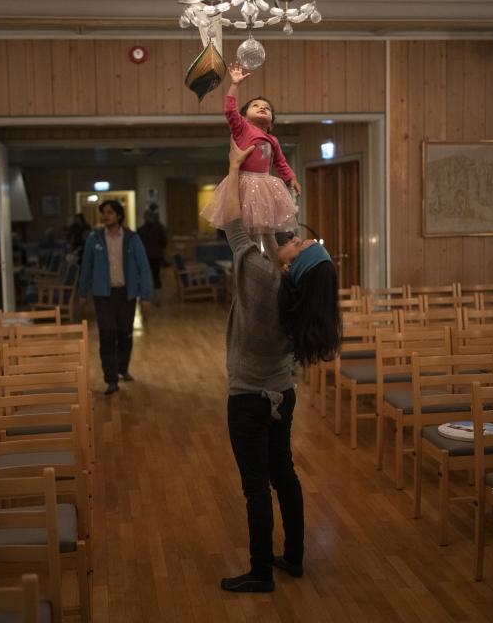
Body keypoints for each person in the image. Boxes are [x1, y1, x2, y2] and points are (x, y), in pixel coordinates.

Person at [219, 138, 340, 593]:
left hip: (248, 397)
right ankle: (292, 556)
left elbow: (236, 228)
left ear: (293, 265)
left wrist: (235, 169)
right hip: (281, 395)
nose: (297, 239)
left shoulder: (263, 279)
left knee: (255, 486)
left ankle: (260, 571)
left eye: (301, 244)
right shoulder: (303, 303)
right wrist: (279, 188)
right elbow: (270, 235)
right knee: (282, 473)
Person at [200, 62, 302, 235]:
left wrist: (291, 178)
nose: (262, 107)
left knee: (267, 227)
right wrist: (235, 85)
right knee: (245, 226)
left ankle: (274, 257)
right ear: (244, 117)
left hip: (265, 183)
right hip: (244, 183)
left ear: (272, 123)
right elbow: (230, 111)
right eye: (256, 106)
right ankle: (250, 255)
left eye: (267, 108)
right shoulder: (242, 129)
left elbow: (280, 162)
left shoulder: (273, 140)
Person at [78, 200, 153, 395]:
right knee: (107, 333)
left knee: (124, 333)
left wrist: (145, 296)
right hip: (103, 295)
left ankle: (122, 368)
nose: (105, 216)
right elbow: (86, 266)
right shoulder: (94, 238)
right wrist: (82, 292)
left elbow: (143, 267)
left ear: (118, 215)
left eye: (109, 213)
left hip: (126, 294)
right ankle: (111, 379)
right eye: (103, 213)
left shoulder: (132, 238)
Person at [137, 208, 168, 299]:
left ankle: (145, 296)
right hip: (157, 256)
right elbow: (164, 242)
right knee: (156, 276)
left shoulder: (140, 230)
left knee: (144, 276)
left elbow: (137, 245)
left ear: (144, 218)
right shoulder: (159, 229)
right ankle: (157, 297)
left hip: (144, 256)